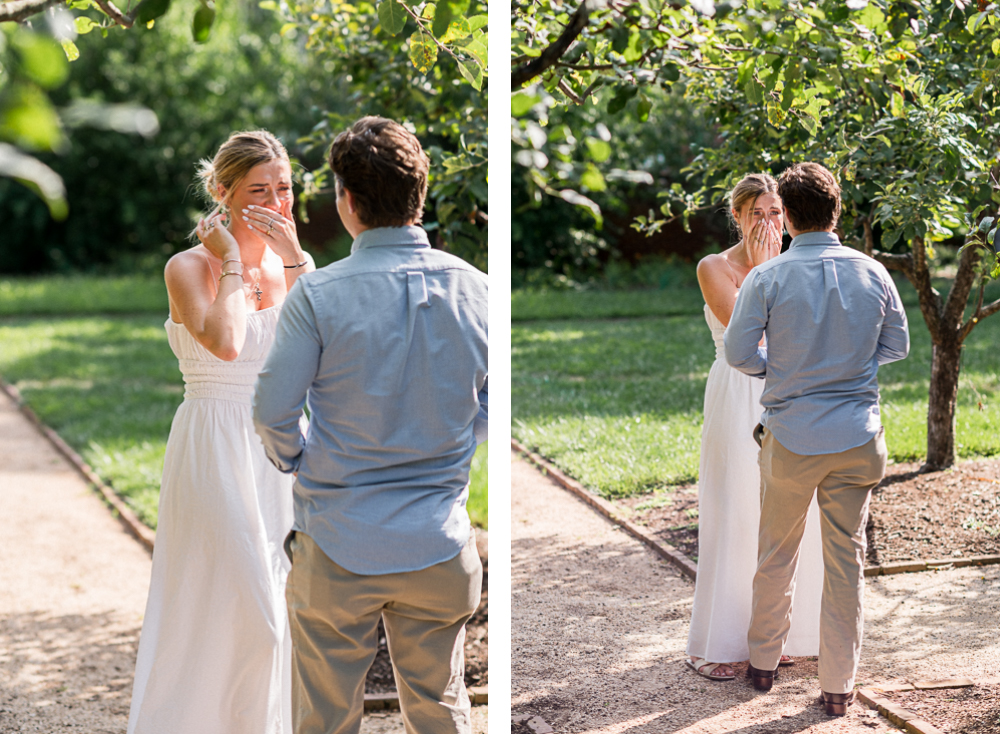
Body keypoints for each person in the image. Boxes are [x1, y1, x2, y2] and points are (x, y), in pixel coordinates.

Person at [252, 116, 488, 734]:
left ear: (348, 201)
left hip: (336, 543)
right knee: (442, 712)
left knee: (324, 721)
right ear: (421, 194)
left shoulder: (318, 295)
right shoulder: (483, 291)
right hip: (440, 543)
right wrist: (456, 444)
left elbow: (273, 412)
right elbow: (495, 405)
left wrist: (301, 461)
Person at [127, 130, 315, 734]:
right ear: (221, 191)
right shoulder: (187, 267)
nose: (276, 201)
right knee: (239, 601)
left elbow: (332, 344)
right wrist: (233, 259)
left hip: (281, 446)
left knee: (278, 604)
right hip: (215, 440)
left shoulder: (291, 269)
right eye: (259, 189)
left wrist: (292, 257)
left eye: (283, 188)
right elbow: (228, 343)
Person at [725, 162, 908, 715]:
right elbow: (896, 345)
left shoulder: (767, 277)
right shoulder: (874, 272)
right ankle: (837, 687)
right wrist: (847, 369)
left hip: (792, 435)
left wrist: (783, 370)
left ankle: (762, 666)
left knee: (776, 555)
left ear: (789, 213)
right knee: (846, 562)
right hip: (857, 437)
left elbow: (737, 354)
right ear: (837, 210)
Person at [686, 173, 824, 682]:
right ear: (738, 216)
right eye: (758, 213)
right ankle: (720, 642)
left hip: (789, 393)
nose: (768, 224)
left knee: (786, 512)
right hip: (738, 391)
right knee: (736, 505)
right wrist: (768, 269)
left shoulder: (800, 264)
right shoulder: (714, 267)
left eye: (776, 214)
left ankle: (776, 633)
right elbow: (745, 340)